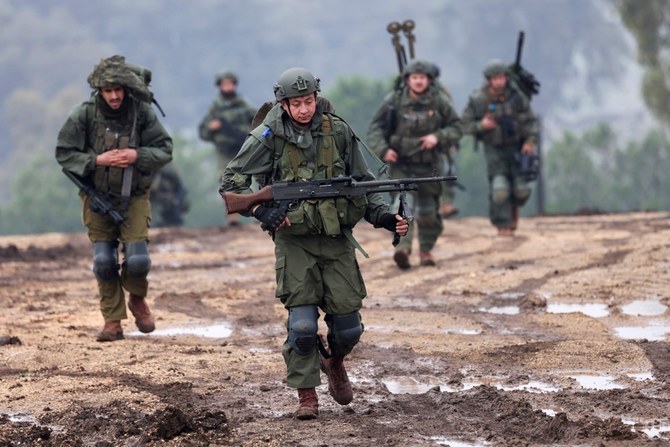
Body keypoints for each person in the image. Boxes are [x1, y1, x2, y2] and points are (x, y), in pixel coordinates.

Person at [220, 67, 408, 420]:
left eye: (309, 101)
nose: (304, 109)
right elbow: (231, 181)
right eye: (296, 103)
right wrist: (261, 210)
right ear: (284, 103)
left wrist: (384, 218)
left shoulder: (337, 131)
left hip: (336, 240)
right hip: (295, 243)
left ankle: (334, 362)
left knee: (349, 328)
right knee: (303, 327)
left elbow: (363, 185)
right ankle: (306, 395)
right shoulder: (268, 135)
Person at [55, 55, 173, 342]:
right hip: (97, 197)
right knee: (104, 261)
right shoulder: (83, 114)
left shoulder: (141, 113)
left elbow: (165, 149)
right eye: (108, 91)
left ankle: (136, 298)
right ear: (99, 92)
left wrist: (137, 155)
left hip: (134, 196)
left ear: (126, 88)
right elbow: (64, 154)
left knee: (138, 259)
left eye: (118, 90)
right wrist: (97, 160)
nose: (114, 96)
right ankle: (112, 321)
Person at [367, 59, 462, 269]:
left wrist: (438, 137)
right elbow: (375, 127)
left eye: (422, 78)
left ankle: (426, 251)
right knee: (402, 206)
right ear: (408, 79)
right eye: (414, 77)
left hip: (430, 167)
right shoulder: (394, 100)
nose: (418, 82)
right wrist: (384, 150)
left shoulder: (439, 102)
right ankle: (403, 248)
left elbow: (457, 126)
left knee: (429, 213)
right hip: (402, 165)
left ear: (429, 80)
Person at [461, 59, 539, 236]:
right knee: (500, 189)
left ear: (506, 77)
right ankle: (502, 224)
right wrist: (481, 125)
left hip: (517, 148)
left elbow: (530, 122)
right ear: (489, 80)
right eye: (494, 78)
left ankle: (513, 210)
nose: (498, 82)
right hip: (494, 149)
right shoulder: (479, 99)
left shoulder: (517, 96)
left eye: (501, 78)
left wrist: (530, 142)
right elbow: (463, 124)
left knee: (521, 190)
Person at [198, 70, 256, 225]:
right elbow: (202, 132)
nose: (227, 87)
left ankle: (255, 209)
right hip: (224, 152)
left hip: (242, 149)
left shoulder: (244, 105)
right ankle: (233, 214)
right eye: (224, 84)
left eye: (230, 83)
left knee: (246, 178)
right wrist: (212, 128)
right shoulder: (215, 109)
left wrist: (246, 131)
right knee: (227, 179)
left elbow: (258, 122)